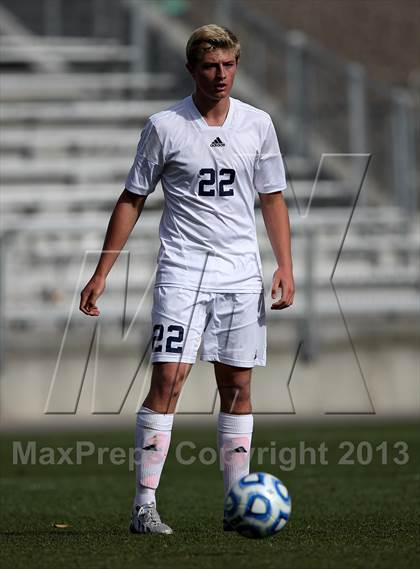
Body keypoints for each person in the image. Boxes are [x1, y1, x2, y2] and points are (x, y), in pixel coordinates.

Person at [79, 24, 294, 535]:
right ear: (192, 68)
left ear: (236, 65)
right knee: (169, 380)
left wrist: (285, 265)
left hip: (241, 277)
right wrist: (102, 271)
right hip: (182, 274)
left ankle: (236, 503)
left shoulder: (258, 124)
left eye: (228, 65)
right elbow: (132, 197)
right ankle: (144, 505)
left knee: (238, 386)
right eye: (210, 66)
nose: (221, 75)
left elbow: (272, 198)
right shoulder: (164, 126)